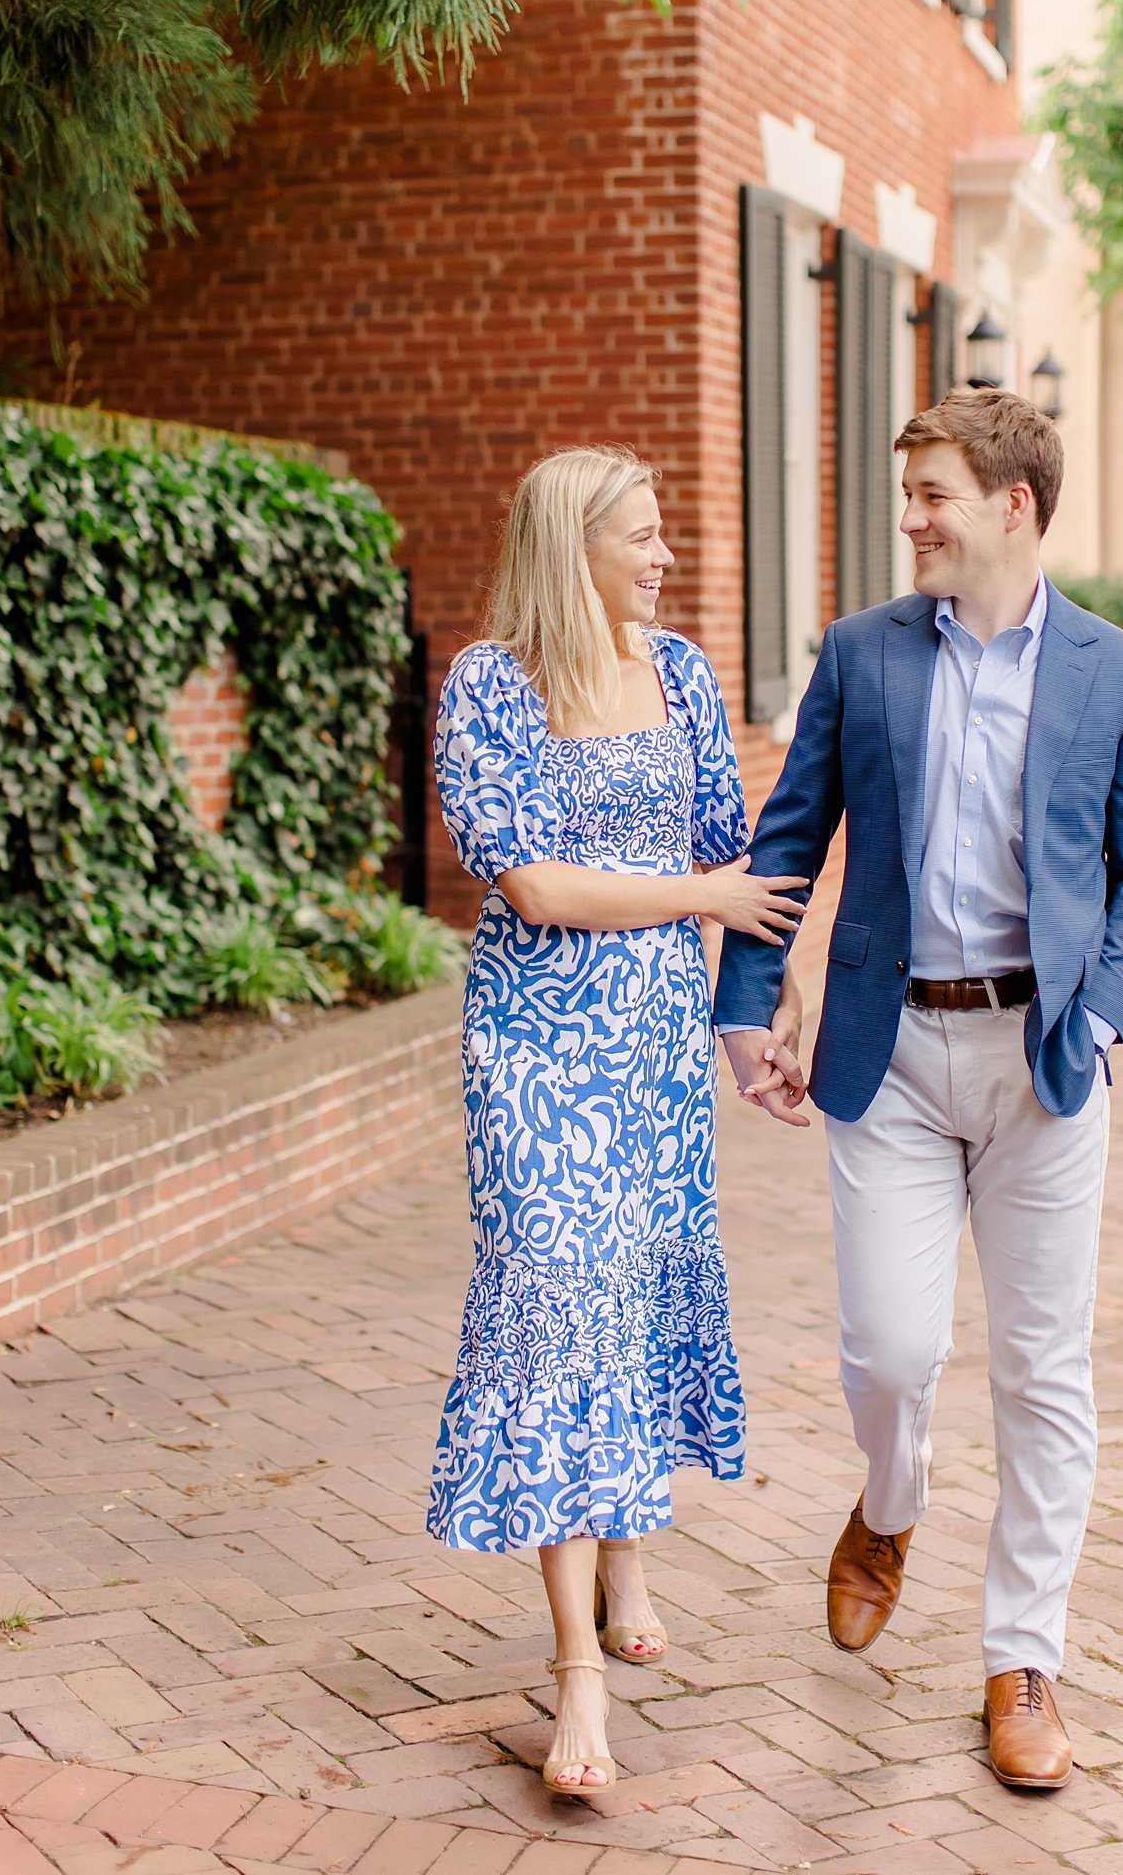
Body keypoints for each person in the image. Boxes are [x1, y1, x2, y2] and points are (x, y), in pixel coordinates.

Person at [716, 390, 1123, 1791]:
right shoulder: (862, 656)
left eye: (929, 494)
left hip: (1045, 1060)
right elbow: (789, 835)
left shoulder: (1119, 672)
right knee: (893, 1352)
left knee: (1045, 1371)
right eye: (906, 492)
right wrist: (748, 1008)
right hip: (892, 1053)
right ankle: (889, 1502)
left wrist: (1098, 1018)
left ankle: (1022, 1655)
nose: (908, 518)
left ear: (1014, 507)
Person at [429, 444, 804, 1799]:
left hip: (652, 1050)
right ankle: (575, 1668)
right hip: (534, 1049)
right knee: (557, 1302)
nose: (662, 555)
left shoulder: (688, 674)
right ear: (566, 543)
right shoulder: (490, 684)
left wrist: (766, 1005)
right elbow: (533, 886)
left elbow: (732, 856)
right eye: (637, 536)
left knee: (632, 1291)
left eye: (662, 533)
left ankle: (628, 1539)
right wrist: (699, 899)